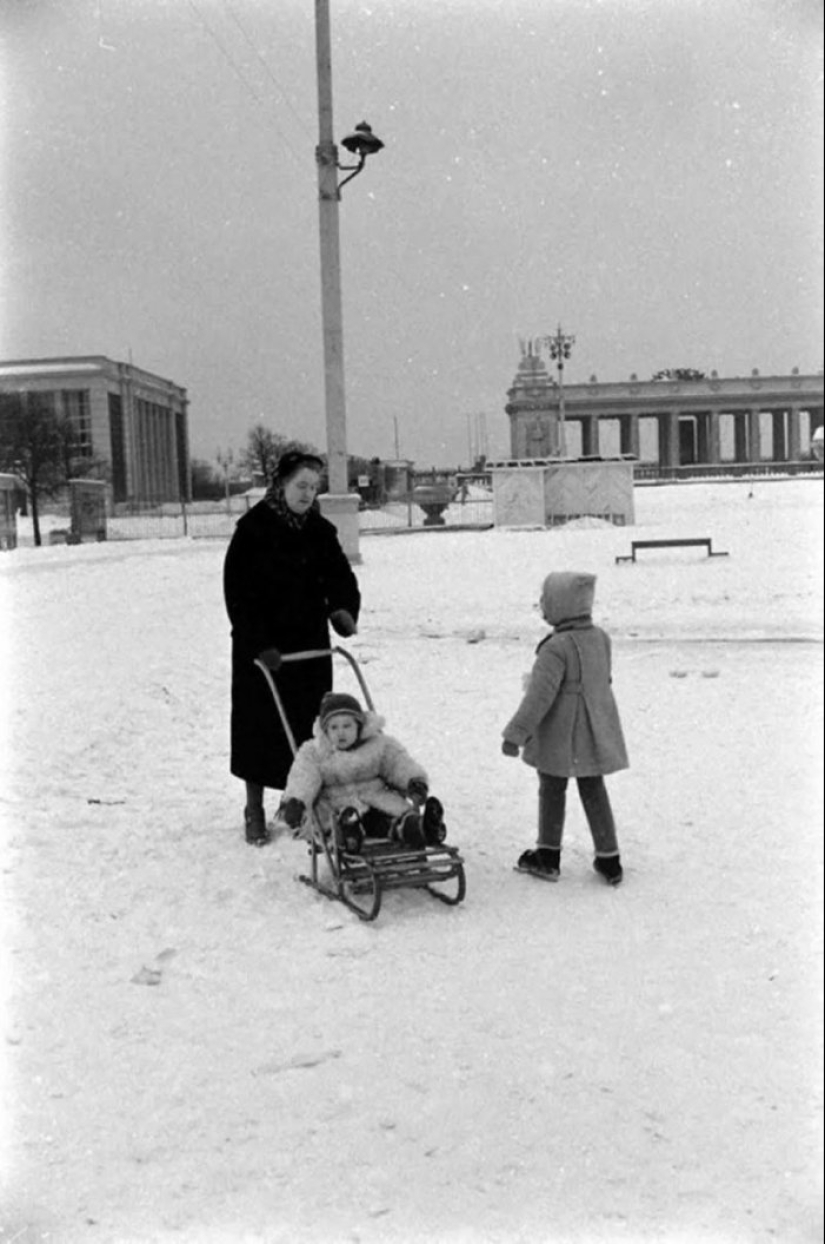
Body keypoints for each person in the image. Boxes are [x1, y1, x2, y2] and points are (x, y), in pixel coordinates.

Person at [223, 451, 361, 846]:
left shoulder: (318, 530)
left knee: (307, 730)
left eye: (313, 487)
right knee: (259, 732)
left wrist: (343, 609)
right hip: (263, 650)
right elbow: (238, 593)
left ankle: (299, 802)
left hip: (307, 645)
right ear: (281, 484)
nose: (307, 493)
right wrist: (259, 642)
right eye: (301, 485)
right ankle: (254, 808)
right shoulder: (253, 530)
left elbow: (339, 574)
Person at [501, 571, 628, 885]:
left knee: (552, 788)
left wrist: (515, 734)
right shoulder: (600, 638)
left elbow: (538, 698)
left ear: (561, 605)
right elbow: (603, 681)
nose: (542, 606)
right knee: (593, 788)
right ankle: (609, 857)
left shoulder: (555, 648)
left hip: (560, 733)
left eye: (546, 601)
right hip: (593, 728)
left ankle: (548, 854)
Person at [277, 691, 447, 852]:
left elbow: (397, 763)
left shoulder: (378, 745)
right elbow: (303, 777)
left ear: (359, 726)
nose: (340, 733)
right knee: (337, 823)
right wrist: (296, 801)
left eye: (347, 726)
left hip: (375, 801)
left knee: (391, 820)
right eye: (334, 727)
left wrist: (414, 781)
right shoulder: (315, 752)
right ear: (325, 730)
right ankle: (348, 836)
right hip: (335, 808)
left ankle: (422, 828)